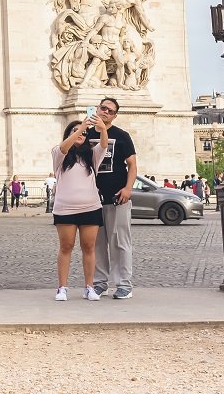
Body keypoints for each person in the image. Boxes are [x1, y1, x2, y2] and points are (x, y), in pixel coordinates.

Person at [51, 116, 108, 301]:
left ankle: (89, 287)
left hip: (91, 208)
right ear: (68, 134)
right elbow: (63, 148)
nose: (81, 134)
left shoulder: (91, 155)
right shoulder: (58, 154)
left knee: (89, 247)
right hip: (65, 209)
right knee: (66, 247)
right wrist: (81, 127)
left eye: (84, 132)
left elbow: (104, 145)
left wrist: (102, 129)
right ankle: (62, 288)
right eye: (75, 131)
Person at [87, 97, 139, 300]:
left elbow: (132, 165)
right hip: (92, 198)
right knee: (97, 244)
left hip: (118, 196)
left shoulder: (122, 136)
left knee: (120, 242)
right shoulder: (86, 133)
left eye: (110, 111)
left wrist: (128, 188)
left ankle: (124, 284)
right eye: (103, 108)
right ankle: (100, 283)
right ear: (97, 109)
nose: (105, 112)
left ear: (114, 116)